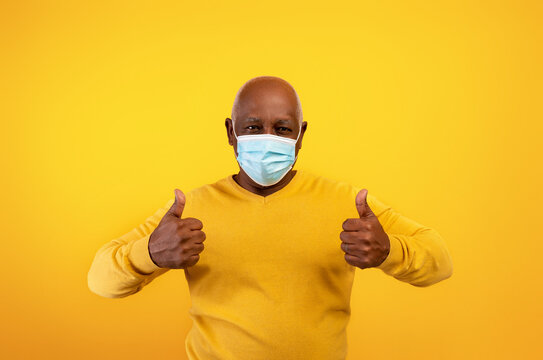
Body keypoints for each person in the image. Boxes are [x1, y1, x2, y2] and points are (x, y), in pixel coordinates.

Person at [87, 75, 453, 360]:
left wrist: (390, 251)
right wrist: (149, 254)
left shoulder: (349, 204)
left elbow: (439, 261)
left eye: (282, 128)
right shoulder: (190, 208)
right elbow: (101, 281)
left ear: (301, 135)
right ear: (230, 133)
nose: (267, 138)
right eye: (252, 127)